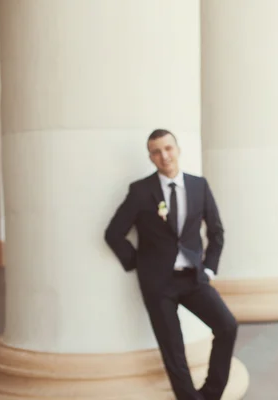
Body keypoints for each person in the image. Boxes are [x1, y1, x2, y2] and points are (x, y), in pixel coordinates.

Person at [104, 129, 237, 400]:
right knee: (173, 349)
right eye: (156, 151)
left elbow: (216, 232)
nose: (164, 156)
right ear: (151, 157)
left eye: (168, 148)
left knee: (227, 326)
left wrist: (208, 268)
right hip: (158, 285)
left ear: (177, 149)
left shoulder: (199, 186)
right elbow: (113, 233)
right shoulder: (141, 191)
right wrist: (139, 265)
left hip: (193, 279)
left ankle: (211, 395)